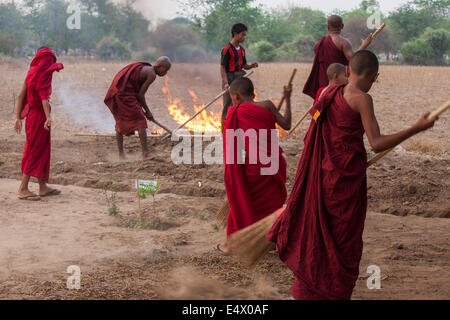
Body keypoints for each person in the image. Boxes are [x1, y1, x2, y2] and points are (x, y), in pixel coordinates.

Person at [268, 50, 436, 300]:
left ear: (347, 71)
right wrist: (416, 128)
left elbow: (314, 131)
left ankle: (306, 290)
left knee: (318, 235)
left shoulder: (326, 92)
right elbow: (377, 143)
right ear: (375, 77)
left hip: (322, 175)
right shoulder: (362, 99)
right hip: (343, 185)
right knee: (341, 243)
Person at [217, 77, 292, 254]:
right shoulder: (268, 105)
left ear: (235, 96)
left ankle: (232, 245)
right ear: (253, 93)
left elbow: (236, 146)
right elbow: (287, 124)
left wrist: (235, 171)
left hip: (255, 168)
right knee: (271, 204)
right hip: (273, 164)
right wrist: (287, 98)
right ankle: (271, 241)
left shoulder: (235, 112)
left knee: (240, 200)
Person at [14, 47, 64, 201]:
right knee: (34, 150)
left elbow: (22, 95)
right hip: (39, 118)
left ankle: (42, 187)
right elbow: (43, 97)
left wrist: (18, 117)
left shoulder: (31, 72)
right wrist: (48, 117)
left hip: (31, 117)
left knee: (42, 150)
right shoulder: (43, 74)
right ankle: (23, 188)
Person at [104, 56, 172, 160]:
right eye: (166, 70)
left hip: (120, 93)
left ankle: (121, 155)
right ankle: (145, 154)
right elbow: (140, 95)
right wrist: (148, 112)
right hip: (125, 95)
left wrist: (144, 109)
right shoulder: (152, 74)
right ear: (159, 66)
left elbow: (137, 92)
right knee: (141, 121)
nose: (165, 73)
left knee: (120, 122)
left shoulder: (146, 68)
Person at [303, 15, 373, 99]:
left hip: (324, 85)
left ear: (328, 27)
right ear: (342, 26)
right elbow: (353, 60)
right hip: (339, 82)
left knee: (319, 109)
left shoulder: (319, 44)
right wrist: (364, 45)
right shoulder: (343, 42)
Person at [220, 23, 259, 130]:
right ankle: (225, 132)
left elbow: (244, 66)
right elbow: (222, 67)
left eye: (245, 35)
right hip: (230, 78)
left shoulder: (241, 50)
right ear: (235, 34)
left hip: (240, 78)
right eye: (242, 35)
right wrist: (226, 82)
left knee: (242, 104)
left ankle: (241, 129)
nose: (244, 37)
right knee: (228, 106)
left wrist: (251, 66)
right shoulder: (227, 49)